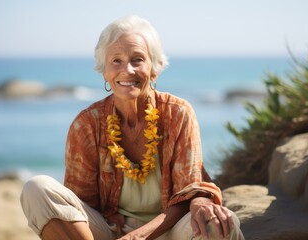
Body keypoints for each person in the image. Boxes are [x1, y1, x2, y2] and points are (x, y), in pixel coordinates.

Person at [20, 15, 245, 240]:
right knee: (36, 188)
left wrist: (138, 237)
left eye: (137, 59)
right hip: (109, 231)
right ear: (104, 71)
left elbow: (187, 195)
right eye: (116, 60)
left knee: (221, 224)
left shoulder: (178, 113)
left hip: (170, 230)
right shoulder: (87, 124)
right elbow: (79, 205)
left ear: (154, 68)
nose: (127, 70)